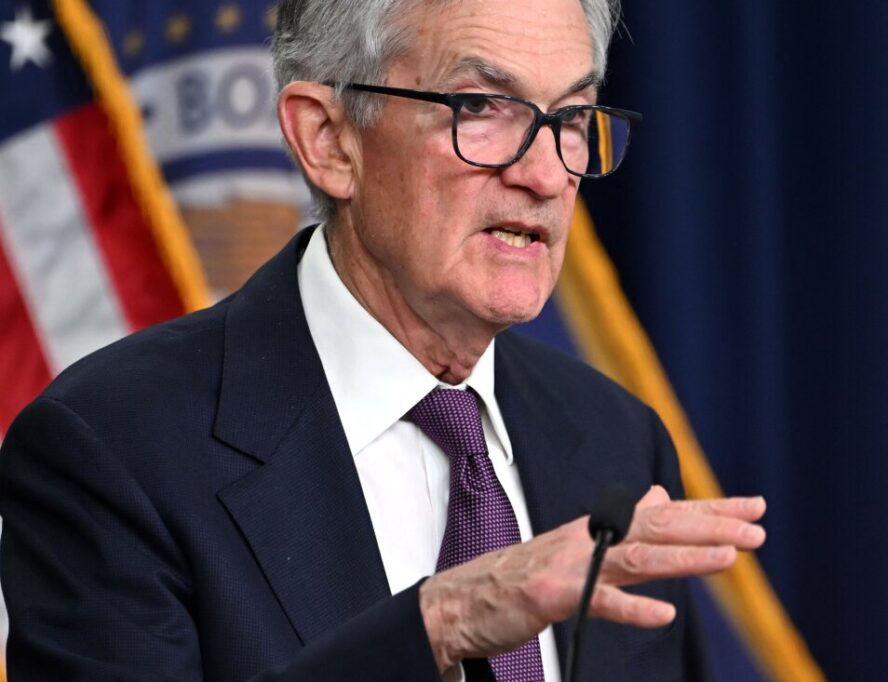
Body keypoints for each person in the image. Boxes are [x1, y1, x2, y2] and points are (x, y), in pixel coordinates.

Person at [0, 0, 766, 679]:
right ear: (328, 138)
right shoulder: (113, 450)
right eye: (480, 107)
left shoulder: (615, 440)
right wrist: (439, 625)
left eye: (569, 118)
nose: (544, 173)